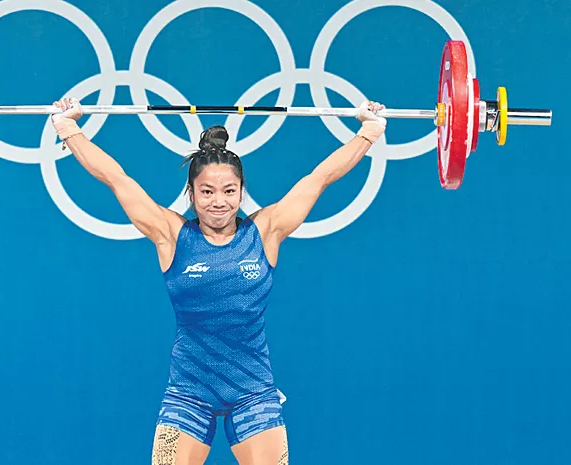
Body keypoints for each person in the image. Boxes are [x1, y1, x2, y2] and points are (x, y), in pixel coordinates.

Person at [51, 98, 387, 465]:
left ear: (241, 192)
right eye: (207, 191)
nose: (218, 202)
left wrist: (368, 133)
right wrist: (69, 130)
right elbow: (116, 179)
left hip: (253, 391)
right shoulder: (171, 234)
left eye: (228, 191)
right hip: (188, 392)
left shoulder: (266, 231)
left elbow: (319, 178)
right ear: (191, 194)